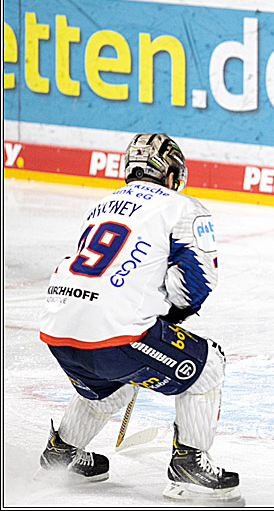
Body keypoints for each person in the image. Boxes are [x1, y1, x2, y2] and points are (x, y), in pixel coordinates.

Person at [38, 133, 241, 503]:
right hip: (114, 333)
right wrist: (170, 317)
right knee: (209, 365)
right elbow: (197, 282)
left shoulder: (101, 205)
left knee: (114, 384)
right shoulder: (182, 207)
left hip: (58, 327)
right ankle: (189, 466)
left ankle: (62, 454)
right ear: (170, 174)